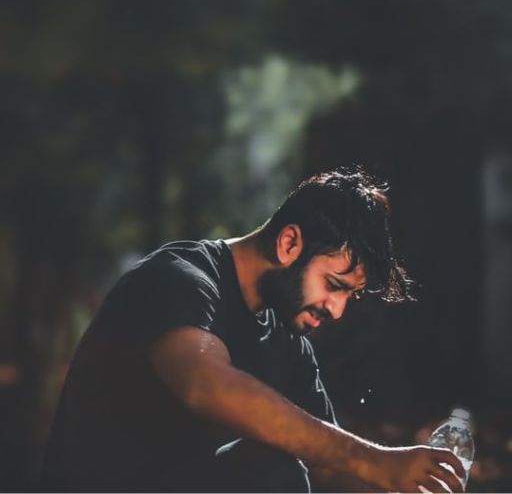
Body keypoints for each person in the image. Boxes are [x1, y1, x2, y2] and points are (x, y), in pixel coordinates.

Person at [40, 167, 465, 493]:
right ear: (289, 244)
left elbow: (331, 465)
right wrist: (374, 462)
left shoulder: (289, 341)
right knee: (270, 469)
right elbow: (205, 385)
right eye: (334, 286)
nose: (336, 309)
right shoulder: (177, 279)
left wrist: (406, 477)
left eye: (348, 297)